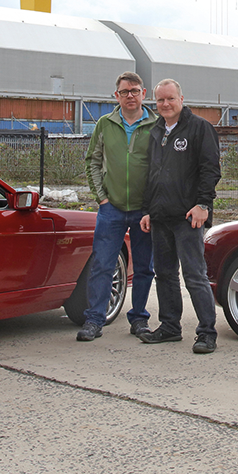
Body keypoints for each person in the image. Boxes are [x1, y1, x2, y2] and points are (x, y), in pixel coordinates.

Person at [76, 71, 160, 341]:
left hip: (144, 210)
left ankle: (138, 318)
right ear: (117, 96)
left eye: (135, 91)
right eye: (125, 92)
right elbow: (92, 161)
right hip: (111, 208)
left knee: (145, 266)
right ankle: (95, 319)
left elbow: (163, 167)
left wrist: (152, 205)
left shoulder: (156, 125)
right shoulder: (105, 124)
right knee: (102, 263)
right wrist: (102, 197)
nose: (130, 96)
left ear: (143, 94)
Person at [138, 78, 221, 353]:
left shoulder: (199, 128)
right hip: (161, 217)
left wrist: (203, 205)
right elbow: (152, 175)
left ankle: (207, 332)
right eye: (160, 100)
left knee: (194, 275)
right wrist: (148, 210)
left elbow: (210, 170)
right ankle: (170, 327)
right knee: (164, 275)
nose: (165, 104)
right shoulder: (155, 131)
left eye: (170, 99)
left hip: (188, 217)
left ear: (181, 99)